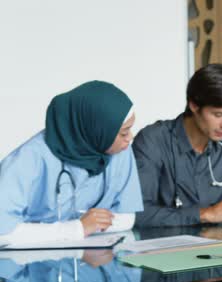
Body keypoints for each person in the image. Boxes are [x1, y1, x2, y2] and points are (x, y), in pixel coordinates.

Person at [0, 81, 143, 245]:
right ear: (96, 130)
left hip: (89, 262)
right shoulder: (29, 159)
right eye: (124, 132)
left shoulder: (120, 151)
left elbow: (126, 219)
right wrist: (77, 228)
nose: (130, 138)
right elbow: (3, 233)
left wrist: (87, 226)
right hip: (27, 266)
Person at [132, 64, 222, 226]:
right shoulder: (153, 140)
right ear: (194, 105)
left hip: (215, 244)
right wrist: (205, 214)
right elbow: (138, 214)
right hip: (164, 246)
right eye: (218, 114)